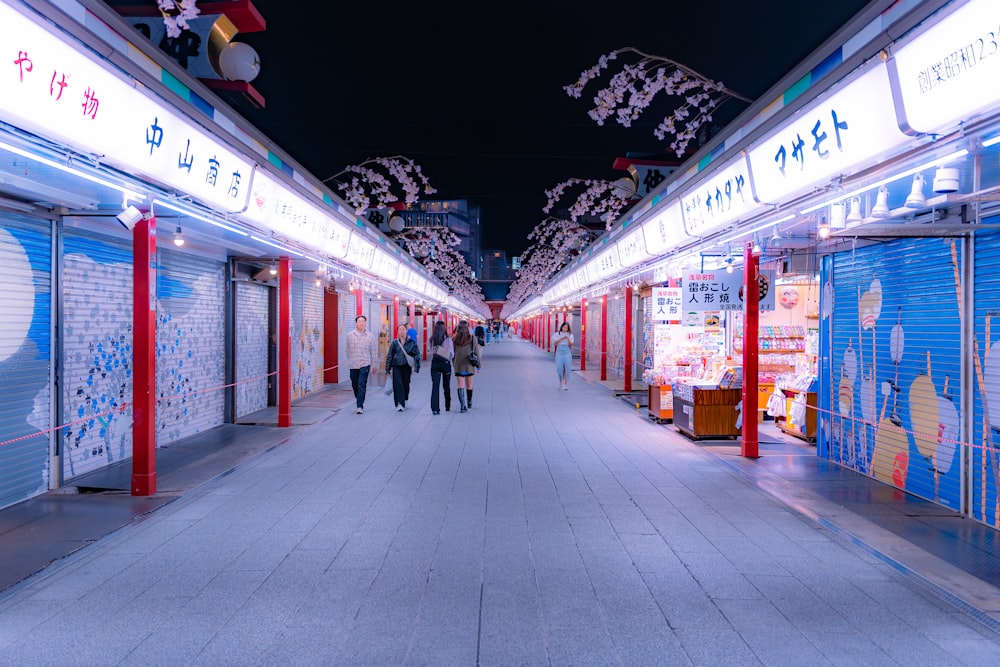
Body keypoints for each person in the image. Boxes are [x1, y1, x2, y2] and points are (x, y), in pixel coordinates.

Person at [346, 315, 378, 414]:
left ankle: (360, 406)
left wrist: (374, 364)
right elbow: (347, 349)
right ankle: (359, 398)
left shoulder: (370, 336)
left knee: (361, 384)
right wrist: (350, 360)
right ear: (356, 323)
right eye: (359, 321)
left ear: (365, 323)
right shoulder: (350, 335)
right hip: (353, 364)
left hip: (365, 363)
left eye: (363, 321)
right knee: (355, 384)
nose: (361, 323)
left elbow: (373, 351)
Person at [386, 324, 420, 411]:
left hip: (407, 366)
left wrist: (417, 366)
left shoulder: (411, 342)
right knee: (397, 384)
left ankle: (405, 399)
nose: (402, 331)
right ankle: (399, 404)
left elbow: (417, 354)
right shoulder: (394, 343)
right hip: (396, 366)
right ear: (397, 331)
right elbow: (390, 355)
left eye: (403, 329)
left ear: (406, 330)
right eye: (400, 329)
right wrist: (388, 368)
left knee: (406, 384)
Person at [452, 320, 481, 412]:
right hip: (469, 364)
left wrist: (454, 363)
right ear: (467, 328)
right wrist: (478, 366)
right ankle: (469, 401)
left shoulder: (454, 339)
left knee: (460, 384)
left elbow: (452, 353)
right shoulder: (473, 339)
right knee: (469, 384)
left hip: (458, 364)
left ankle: (462, 406)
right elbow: (477, 353)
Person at [428, 320, 454, 415]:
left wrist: (437, 351)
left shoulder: (432, 339)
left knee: (435, 386)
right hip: (446, 364)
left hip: (435, 364)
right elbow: (451, 354)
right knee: (446, 386)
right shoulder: (448, 339)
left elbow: (430, 352)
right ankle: (447, 406)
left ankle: (435, 409)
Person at [552, 321, 574, 390]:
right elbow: (554, 343)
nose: (565, 329)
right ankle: (560, 380)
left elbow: (571, 344)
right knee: (559, 368)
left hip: (567, 351)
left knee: (566, 367)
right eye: (564, 327)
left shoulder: (570, 335)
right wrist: (562, 338)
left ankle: (564, 384)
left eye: (567, 328)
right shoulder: (557, 334)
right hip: (559, 351)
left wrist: (568, 339)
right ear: (561, 327)